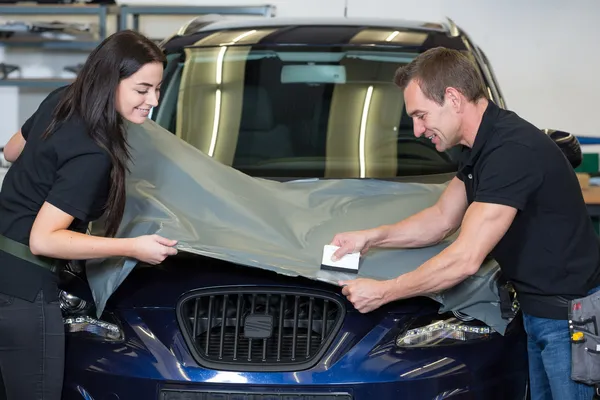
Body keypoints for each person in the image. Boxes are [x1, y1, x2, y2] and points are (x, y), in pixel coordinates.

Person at [330, 47, 600, 399]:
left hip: (567, 319)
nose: (417, 129)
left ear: (453, 99)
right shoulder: (480, 149)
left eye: (421, 115)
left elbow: (465, 259)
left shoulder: (511, 151)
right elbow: (441, 220)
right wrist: (370, 237)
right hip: (539, 311)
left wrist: (384, 291)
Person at [0, 30, 179, 399]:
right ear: (111, 80)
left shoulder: (62, 99)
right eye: (142, 89)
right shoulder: (94, 154)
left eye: (157, 90)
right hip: (24, 292)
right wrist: (133, 247)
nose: (154, 101)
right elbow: (44, 238)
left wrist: (45, 167)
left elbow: (12, 151)